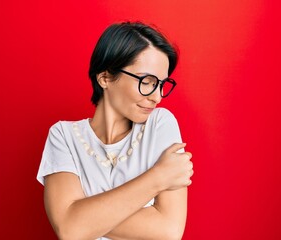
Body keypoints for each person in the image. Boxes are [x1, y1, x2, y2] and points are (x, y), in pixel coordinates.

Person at [37, 21, 194, 240]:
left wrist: (81, 215)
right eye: (147, 81)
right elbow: (69, 230)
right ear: (105, 78)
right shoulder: (63, 136)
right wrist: (158, 177)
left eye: (161, 84)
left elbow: (169, 231)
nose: (157, 96)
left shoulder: (160, 123)